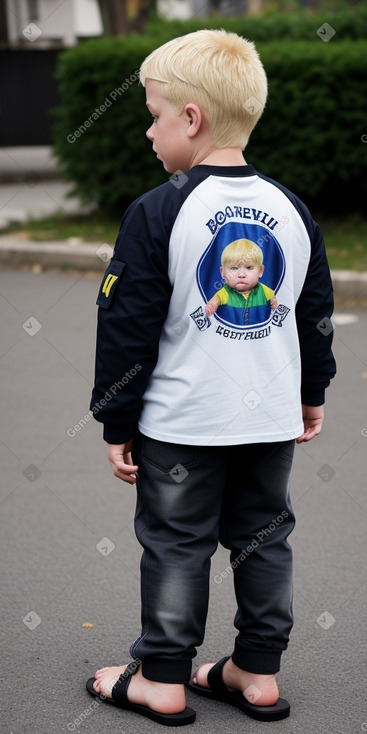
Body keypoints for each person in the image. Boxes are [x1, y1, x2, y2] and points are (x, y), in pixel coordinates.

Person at [87, 29, 336, 726]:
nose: (146, 129)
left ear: (189, 119)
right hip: (266, 422)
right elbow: (315, 313)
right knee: (263, 537)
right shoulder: (291, 209)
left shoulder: (157, 210)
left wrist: (116, 418)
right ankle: (254, 672)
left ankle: (162, 678)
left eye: (153, 113)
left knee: (176, 544)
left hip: (182, 425)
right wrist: (310, 392)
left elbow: (127, 325)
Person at [205, 238, 278, 318]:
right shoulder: (224, 294)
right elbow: (214, 302)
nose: (241, 275)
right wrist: (211, 306)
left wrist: (274, 303)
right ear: (222, 272)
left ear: (260, 271)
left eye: (249, 268)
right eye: (234, 268)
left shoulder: (265, 292)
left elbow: (275, 304)